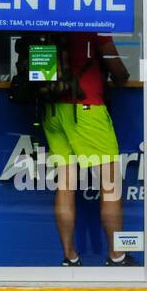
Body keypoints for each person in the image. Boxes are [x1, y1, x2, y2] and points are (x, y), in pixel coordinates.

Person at [33, 32, 134, 266]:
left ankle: (70, 257)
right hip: (87, 108)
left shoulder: (49, 22)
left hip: (53, 110)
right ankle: (117, 257)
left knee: (66, 184)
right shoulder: (94, 26)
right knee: (110, 185)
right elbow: (119, 71)